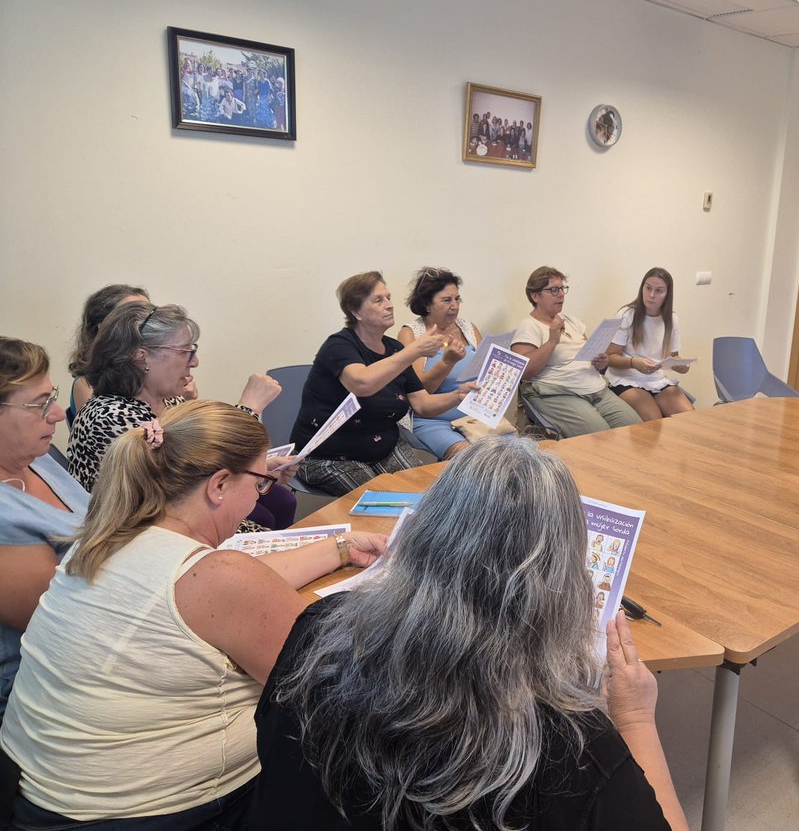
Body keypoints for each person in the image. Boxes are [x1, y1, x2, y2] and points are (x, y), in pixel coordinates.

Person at [246, 436, 687, 830]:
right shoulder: (569, 744)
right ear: (563, 578)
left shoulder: (320, 626)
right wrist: (634, 718)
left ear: (422, 534)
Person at [0, 400, 388, 828]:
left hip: (43, 800)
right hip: (152, 816)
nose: (260, 496)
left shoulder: (105, 542)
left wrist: (338, 548)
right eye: (260, 483)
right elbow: (341, 691)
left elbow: (234, 587)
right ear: (219, 484)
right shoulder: (216, 577)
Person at [68, 300, 296, 531]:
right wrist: (250, 408)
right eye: (185, 352)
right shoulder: (110, 416)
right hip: (143, 531)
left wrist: (260, 468)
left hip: (180, 520)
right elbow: (180, 498)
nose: (194, 362)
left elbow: (203, 464)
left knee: (281, 505)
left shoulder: (167, 400)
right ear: (142, 357)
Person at [292, 271, 473, 495]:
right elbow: (362, 383)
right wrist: (415, 350)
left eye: (388, 298)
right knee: (381, 503)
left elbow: (423, 404)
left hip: (384, 448)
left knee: (429, 497)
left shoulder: (394, 349)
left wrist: (458, 396)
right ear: (355, 311)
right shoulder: (338, 346)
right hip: (330, 455)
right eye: (379, 300)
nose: (389, 305)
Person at [0, 339, 90, 723]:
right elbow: (60, 628)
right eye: (39, 403)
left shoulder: (38, 460)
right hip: (48, 695)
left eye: (51, 396)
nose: (56, 414)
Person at [512, 266, 640, 438]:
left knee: (636, 430)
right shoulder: (529, 326)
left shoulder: (571, 321)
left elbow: (589, 356)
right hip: (559, 393)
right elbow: (523, 372)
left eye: (562, 289)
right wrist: (552, 341)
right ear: (535, 296)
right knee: (601, 438)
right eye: (553, 290)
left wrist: (601, 363)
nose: (561, 294)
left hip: (597, 389)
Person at [397, 267, 484, 460]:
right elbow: (421, 390)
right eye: (446, 300)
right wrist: (447, 362)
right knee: (469, 459)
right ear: (427, 305)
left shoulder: (468, 328)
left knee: (515, 454)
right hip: (433, 419)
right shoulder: (412, 333)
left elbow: (484, 373)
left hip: (475, 416)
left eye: (457, 299)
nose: (455, 305)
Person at [605, 268, 694, 422]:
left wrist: (681, 365)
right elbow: (609, 357)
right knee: (654, 421)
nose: (651, 295)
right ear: (642, 288)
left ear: (667, 295)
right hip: (626, 379)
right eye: (648, 288)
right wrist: (633, 363)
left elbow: (673, 356)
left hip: (656, 380)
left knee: (690, 417)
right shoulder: (626, 314)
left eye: (659, 291)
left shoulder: (672, 319)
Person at [66, 283, 150, 423]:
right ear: (103, 329)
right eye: (132, 317)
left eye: (149, 316)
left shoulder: (153, 373)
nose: (147, 325)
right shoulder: (86, 384)